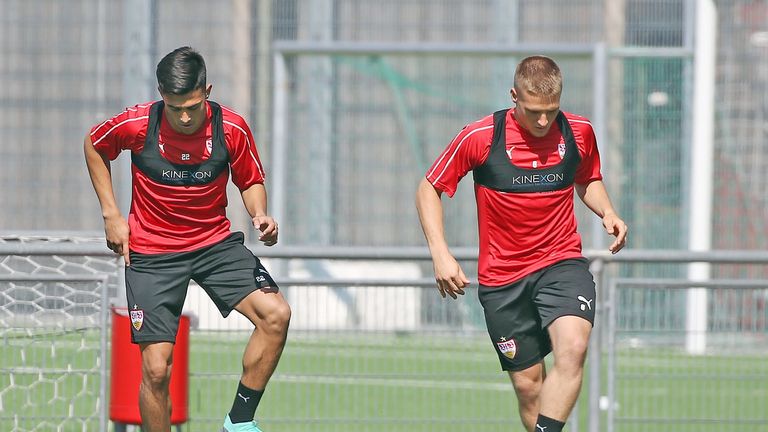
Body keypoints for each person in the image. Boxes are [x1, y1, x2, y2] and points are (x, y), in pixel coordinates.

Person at [415, 55, 627, 432]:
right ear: (514, 96)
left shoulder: (579, 131)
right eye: (533, 112)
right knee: (529, 387)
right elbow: (429, 188)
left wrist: (607, 211)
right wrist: (440, 253)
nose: (543, 121)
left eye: (551, 111)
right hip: (502, 279)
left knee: (574, 348)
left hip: (560, 262)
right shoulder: (481, 136)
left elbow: (587, 178)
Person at [84, 46, 290, 432]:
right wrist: (112, 215)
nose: (183, 116)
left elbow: (250, 180)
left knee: (276, 315)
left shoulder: (232, 128)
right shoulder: (137, 123)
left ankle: (239, 422)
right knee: (157, 369)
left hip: (214, 243)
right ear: (161, 94)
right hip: (152, 252)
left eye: (192, 107)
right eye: (174, 106)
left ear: (207, 91)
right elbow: (95, 145)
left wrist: (260, 214)